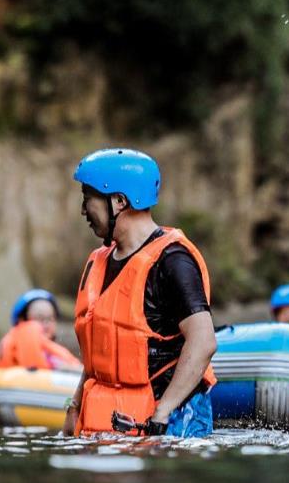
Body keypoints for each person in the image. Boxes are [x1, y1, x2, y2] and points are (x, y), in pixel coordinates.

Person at [60, 149, 218, 438]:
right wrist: (75, 406)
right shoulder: (99, 260)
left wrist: (163, 412)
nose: (84, 211)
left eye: (88, 199)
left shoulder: (173, 261)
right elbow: (101, 350)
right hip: (109, 423)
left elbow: (203, 341)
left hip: (170, 422)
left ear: (119, 201)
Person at [0, 289, 83, 372]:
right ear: (22, 320)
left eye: (50, 318)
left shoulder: (50, 351)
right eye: (39, 318)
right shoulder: (23, 336)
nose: (46, 323)